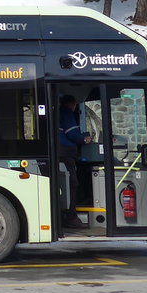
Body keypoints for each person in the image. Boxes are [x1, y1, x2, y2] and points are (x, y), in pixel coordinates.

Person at [58, 94, 93, 228]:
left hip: (61, 153)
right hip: (66, 153)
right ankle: (71, 217)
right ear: (72, 104)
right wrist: (85, 139)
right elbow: (72, 134)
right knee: (73, 183)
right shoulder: (66, 113)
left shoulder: (58, 112)